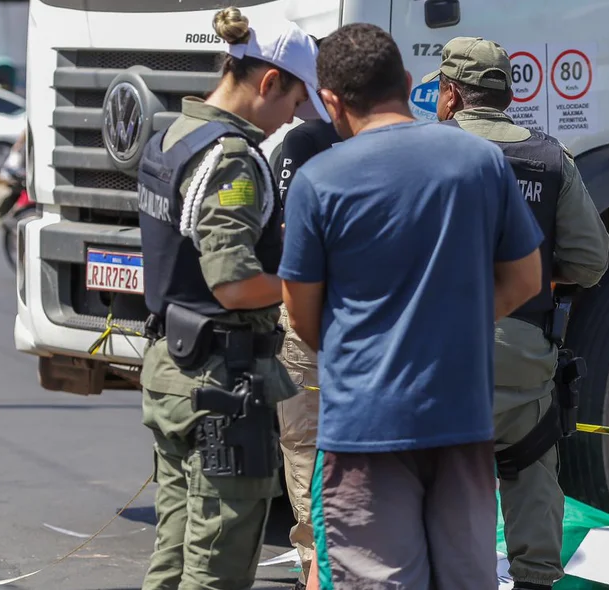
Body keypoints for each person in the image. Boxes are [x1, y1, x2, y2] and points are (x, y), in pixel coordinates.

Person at [278, 23, 545, 589]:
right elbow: (525, 279)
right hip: (463, 419)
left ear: (330, 101)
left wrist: (374, 346)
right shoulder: (480, 162)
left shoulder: (319, 180)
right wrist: (450, 326)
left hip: (364, 430)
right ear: (405, 81)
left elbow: (301, 316)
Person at [134, 7, 329, 590]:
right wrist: (313, 279)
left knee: (172, 554)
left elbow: (189, 248)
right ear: (269, 82)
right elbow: (233, 282)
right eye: (294, 104)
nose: (290, 121)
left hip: (173, 367)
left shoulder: (173, 134)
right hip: (222, 382)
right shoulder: (234, 158)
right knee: (219, 561)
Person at [427, 36, 609, 590]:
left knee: (440, 478)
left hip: (441, 352)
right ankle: (532, 578)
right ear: (506, 94)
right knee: (531, 468)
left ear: (452, 94)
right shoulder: (551, 158)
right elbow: (591, 261)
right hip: (526, 351)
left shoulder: (429, 148)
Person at [269, 115, 341, 590]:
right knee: (306, 443)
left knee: (307, 443)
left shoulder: (306, 140)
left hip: (320, 316)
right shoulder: (307, 141)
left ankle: (319, 567)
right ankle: (316, 562)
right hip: (339, 315)